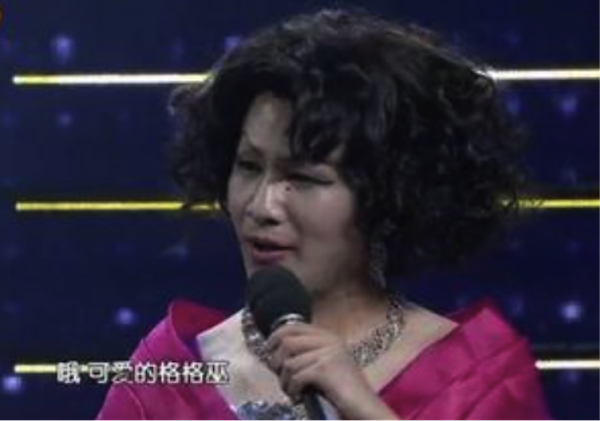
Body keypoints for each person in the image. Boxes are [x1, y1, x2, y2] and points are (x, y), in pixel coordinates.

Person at [96, 8, 553, 421]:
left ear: (389, 194)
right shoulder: (167, 377)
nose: (262, 207)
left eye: (305, 178)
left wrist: (364, 410)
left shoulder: (476, 381)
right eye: (249, 166)